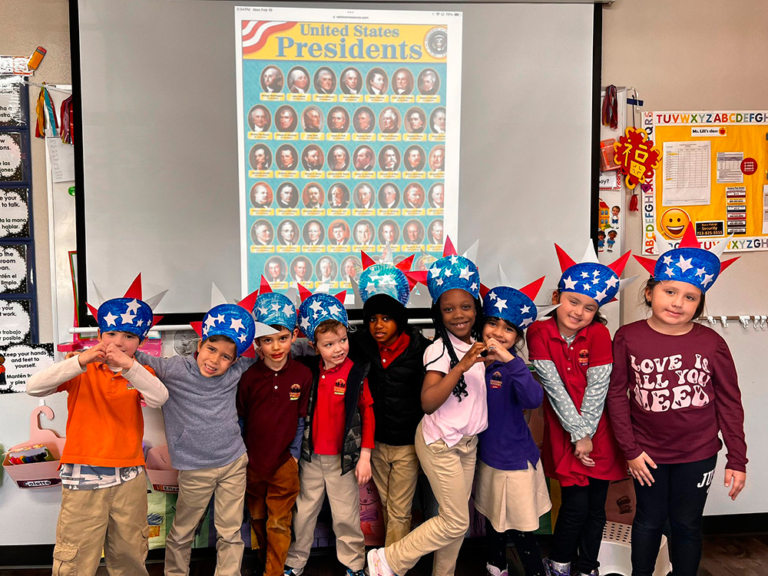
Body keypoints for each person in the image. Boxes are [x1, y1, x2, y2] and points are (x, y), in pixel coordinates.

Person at [608, 226, 747, 576]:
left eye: (690, 297)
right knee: (649, 521)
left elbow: (730, 402)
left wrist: (737, 459)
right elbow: (616, 396)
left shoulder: (711, 343)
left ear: (700, 304)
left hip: (698, 453)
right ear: (651, 292)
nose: (677, 303)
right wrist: (630, 450)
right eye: (670, 292)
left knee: (687, 524)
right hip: (647, 454)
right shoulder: (627, 337)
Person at [27, 280, 168, 576]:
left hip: (129, 475)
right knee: (76, 557)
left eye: (129, 336)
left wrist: (130, 367)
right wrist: (80, 360)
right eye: (111, 333)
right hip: (83, 477)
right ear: (99, 335)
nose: (118, 342)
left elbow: (159, 397)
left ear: (140, 343)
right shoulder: (80, 368)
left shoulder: (141, 372)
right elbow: (33, 388)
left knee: (130, 553)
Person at [367, 244, 487, 576]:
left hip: (466, 443)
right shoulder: (438, 350)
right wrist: (461, 366)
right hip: (440, 444)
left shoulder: (477, 344)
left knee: (456, 524)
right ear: (438, 312)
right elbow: (428, 402)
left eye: (465, 306)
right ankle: (388, 560)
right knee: (455, 519)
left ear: (476, 308)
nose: (458, 314)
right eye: (449, 310)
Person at [133, 299, 266, 576]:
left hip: (233, 462)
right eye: (211, 349)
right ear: (199, 345)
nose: (215, 360)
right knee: (183, 531)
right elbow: (137, 357)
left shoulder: (238, 369)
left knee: (230, 532)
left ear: (236, 359)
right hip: (194, 468)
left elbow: (272, 349)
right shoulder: (173, 369)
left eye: (226, 356)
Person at [526, 242, 632, 576]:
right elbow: (553, 386)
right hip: (566, 431)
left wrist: (587, 434)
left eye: (589, 307)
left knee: (596, 508)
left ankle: (587, 567)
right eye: (573, 301)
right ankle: (559, 564)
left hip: (599, 430)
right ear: (558, 296)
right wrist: (577, 435)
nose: (578, 312)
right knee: (574, 506)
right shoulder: (537, 331)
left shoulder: (599, 333)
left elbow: (598, 388)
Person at [284, 292, 374, 576]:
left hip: (342, 460)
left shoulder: (356, 372)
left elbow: (368, 414)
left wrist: (365, 457)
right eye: (329, 344)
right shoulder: (308, 370)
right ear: (314, 346)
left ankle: (354, 564)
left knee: (346, 516)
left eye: (343, 340)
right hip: (310, 458)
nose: (338, 349)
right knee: (304, 513)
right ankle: (295, 562)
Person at [348, 257, 430, 547]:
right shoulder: (359, 345)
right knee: (388, 507)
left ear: (400, 320)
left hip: (408, 445)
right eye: (372, 319)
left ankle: (392, 566)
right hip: (376, 444)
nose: (377, 325)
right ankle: (392, 559)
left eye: (385, 318)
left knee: (399, 511)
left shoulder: (422, 349)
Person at [475, 280, 553, 576]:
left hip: (515, 463)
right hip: (488, 459)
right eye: (493, 323)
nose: (497, 332)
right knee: (494, 522)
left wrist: (509, 361)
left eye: (508, 328)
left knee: (521, 530)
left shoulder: (513, 367)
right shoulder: (474, 361)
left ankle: (534, 571)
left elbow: (533, 398)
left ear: (517, 336)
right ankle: (496, 567)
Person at [238, 285, 311, 576]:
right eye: (268, 341)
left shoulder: (302, 374)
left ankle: (274, 571)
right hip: (252, 462)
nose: (277, 347)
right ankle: (262, 559)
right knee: (257, 516)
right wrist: (244, 455)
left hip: (284, 464)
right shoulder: (248, 376)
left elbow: (301, 419)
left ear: (294, 336)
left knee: (279, 522)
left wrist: (293, 456)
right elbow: (241, 419)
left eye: (282, 338)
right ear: (257, 343)